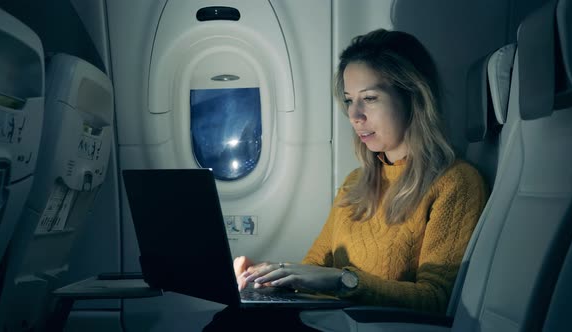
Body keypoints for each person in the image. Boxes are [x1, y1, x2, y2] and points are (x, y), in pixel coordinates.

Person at [204, 29, 488, 330]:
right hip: (335, 322)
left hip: (374, 328)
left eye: (369, 98)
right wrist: (272, 278)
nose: (354, 115)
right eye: (349, 100)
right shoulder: (357, 183)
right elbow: (315, 266)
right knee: (233, 316)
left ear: (413, 96)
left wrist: (343, 280)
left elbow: (436, 301)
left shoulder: (455, 182)